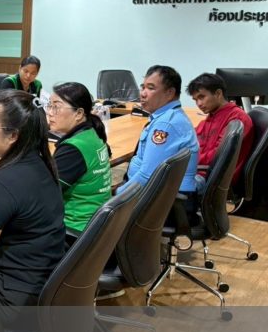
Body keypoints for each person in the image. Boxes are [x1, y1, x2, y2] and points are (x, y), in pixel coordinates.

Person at [0, 90, 65, 318]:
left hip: (7, 300)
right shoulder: (43, 165)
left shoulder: (2, 183)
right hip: (43, 288)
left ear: (13, 135)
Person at [117, 66, 199, 210]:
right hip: (163, 194)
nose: (143, 93)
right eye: (143, 87)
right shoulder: (170, 116)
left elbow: (147, 177)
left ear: (170, 93)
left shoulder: (165, 125)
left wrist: (116, 196)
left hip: (162, 201)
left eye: (150, 88)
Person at [47, 82, 112, 232]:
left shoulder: (73, 148)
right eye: (49, 106)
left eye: (56, 107)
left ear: (78, 113)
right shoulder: (91, 134)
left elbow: (44, 193)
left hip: (74, 229)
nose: (50, 112)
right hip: (95, 224)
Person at [187, 72, 254, 187]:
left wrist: (185, 161)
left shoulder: (237, 119)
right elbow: (193, 138)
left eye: (201, 97)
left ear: (218, 93)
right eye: (195, 100)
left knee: (161, 186)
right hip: (199, 171)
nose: (198, 104)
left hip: (211, 179)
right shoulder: (213, 115)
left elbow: (218, 156)